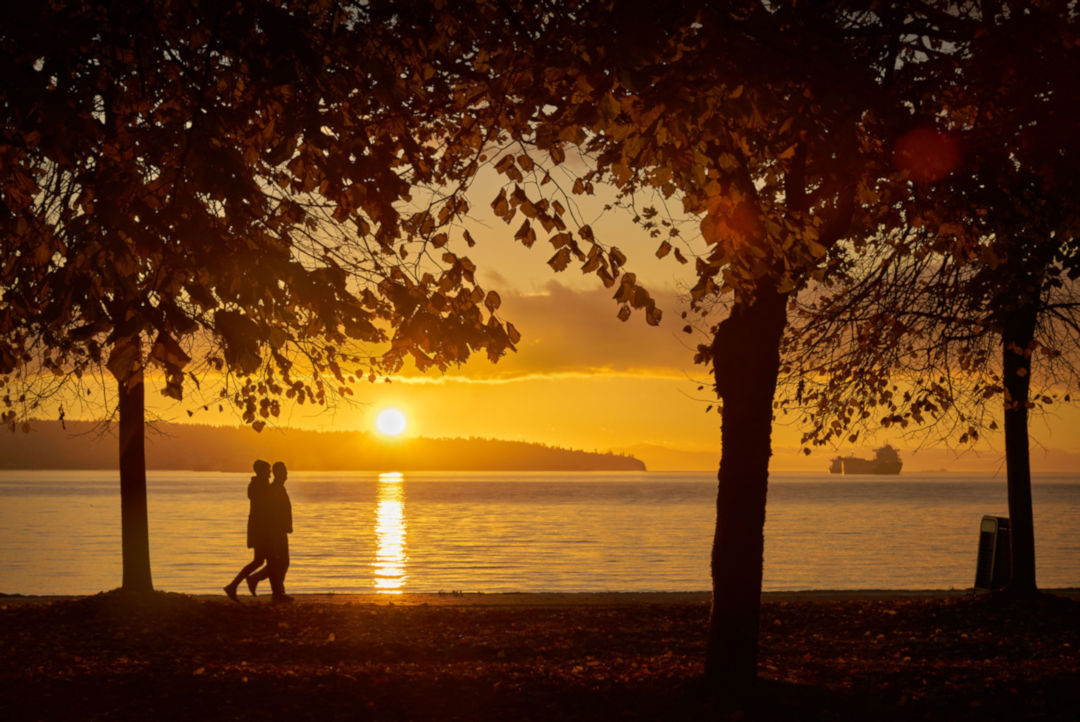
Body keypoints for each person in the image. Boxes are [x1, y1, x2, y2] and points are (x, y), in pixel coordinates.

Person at [223, 459, 272, 601]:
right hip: (261, 529)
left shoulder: (258, 485)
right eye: (267, 470)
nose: (270, 473)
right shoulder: (260, 486)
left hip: (259, 528)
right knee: (266, 560)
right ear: (262, 472)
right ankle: (242, 582)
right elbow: (265, 507)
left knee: (259, 560)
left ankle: (235, 585)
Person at [248, 460, 293, 602]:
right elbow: (274, 511)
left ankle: (277, 591)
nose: (286, 474)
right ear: (277, 474)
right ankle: (275, 591)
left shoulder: (279, 488)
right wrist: (280, 526)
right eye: (283, 472)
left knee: (281, 562)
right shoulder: (274, 488)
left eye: (286, 471)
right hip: (276, 531)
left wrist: (288, 525)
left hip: (281, 530)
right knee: (279, 562)